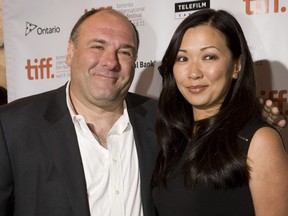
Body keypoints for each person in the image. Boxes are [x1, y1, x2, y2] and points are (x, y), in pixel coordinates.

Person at [0, 8, 285, 216]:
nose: (110, 62)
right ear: (70, 52)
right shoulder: (13, 126)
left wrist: (255, 115)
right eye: (97, 46)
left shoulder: (159, 120)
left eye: (124, 52)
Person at [152, 9, 288, 216]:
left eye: (208, 57)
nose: (194, 73)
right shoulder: (172, 136)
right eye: (182, 59)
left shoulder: (258, 140)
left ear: (237, 66)